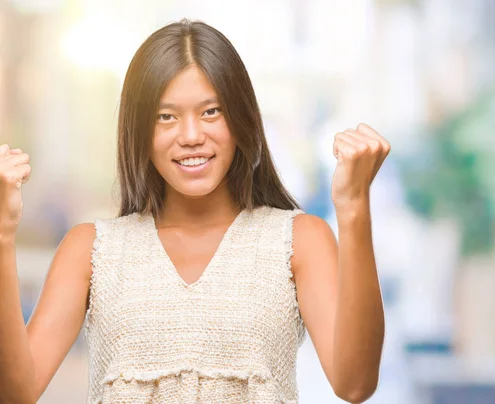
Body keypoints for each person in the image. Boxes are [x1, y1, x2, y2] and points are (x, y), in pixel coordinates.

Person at [0, 19, 389, 403]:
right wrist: (2, 232)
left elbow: (355, 384)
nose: (190, 137)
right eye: (165, 117)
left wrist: (354, 207)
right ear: (139, 130)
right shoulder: (91, 250)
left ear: (241, 119)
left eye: (211, 112)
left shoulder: (297, 241)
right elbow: (16, 393)